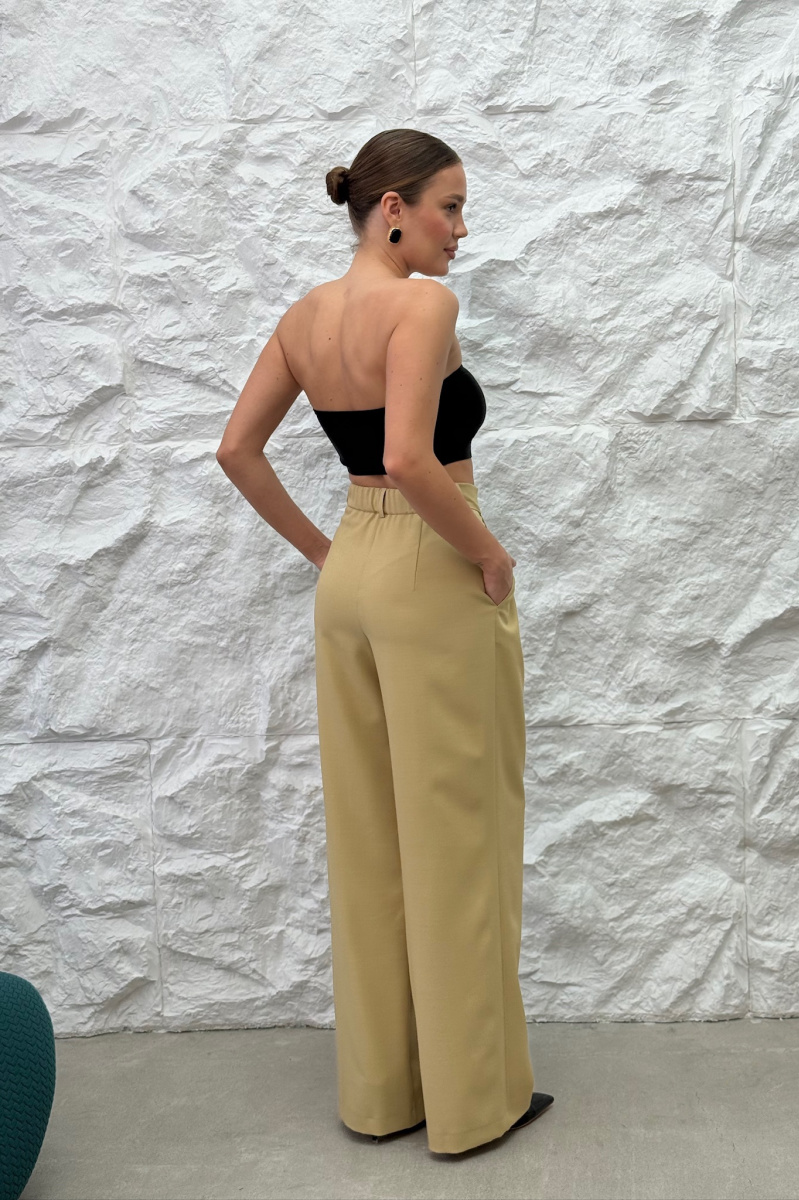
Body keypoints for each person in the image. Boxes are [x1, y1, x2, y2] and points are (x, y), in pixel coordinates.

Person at [216, 127, 553, 1155]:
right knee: (457, 834)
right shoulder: (421, 306)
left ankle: (381, 1095)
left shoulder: (305, 317)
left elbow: (237, 450)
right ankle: (470, 1104)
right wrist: (489, 554)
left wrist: (332, 553)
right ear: (393, 208)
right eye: (451, 205)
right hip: (431, 571)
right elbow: (411, 458)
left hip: (352, 579)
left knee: (368, 838)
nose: (461, 228)